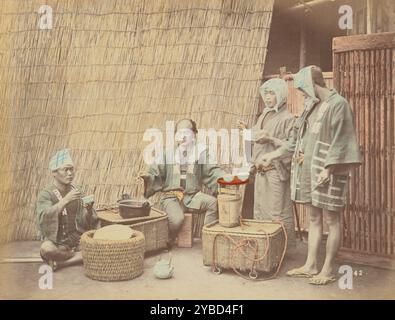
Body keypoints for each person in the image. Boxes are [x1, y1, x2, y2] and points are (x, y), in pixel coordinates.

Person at [259, 66, 362, 285]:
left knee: (332, 219)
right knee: (314, 218)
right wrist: (274, 155)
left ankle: (327, 269)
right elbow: (295, 140)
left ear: (313, 85)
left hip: (329, 169)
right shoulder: (311, 106)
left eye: (304, 90)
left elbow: (342, 140)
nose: (303, 95)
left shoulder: (338, 104)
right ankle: (311, 264)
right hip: (311, 170)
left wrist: (328, 169)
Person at [140, 119, 227, 246]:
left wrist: (225, 177)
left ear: (194, 134)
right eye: (180, 132)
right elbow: (155, 172)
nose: (184, 136)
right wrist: (148, 177)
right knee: (177, 220)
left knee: (213, 203)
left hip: (193, 196)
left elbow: (212, 170)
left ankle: (208, 239)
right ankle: (167, 238)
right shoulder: (167, 154)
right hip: (171, 197)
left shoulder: (201, 153)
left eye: (187, 132)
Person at [238, 78, 296, 252]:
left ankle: (282, 250)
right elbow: (255, 135)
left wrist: (270, 138)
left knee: (277, 213)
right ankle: (266, 252)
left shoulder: (288, 118)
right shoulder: (264, 115)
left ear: (281, 95)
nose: (268, 97)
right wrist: (247, 130)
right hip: (261, 171)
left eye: (272, 93)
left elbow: (292, 145)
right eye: (266, 93)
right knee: (261, 211)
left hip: (276, 172)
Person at [36, 149, 99, 271]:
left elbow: (88, 222)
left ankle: (64, 262)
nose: (70, 173)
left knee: (100, 244)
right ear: (54, 173)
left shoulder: (77, 190)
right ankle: (78, 257)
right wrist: (65, 200)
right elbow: (43, 217)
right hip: (59, 242)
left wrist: (89, 210)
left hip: (78, 239)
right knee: (46, 249)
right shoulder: (46, 194)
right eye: (66, 169)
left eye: (71, 169)